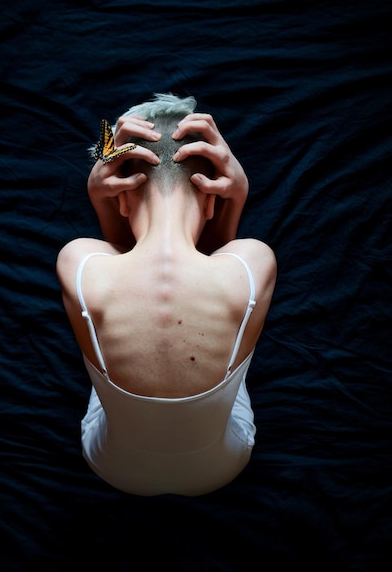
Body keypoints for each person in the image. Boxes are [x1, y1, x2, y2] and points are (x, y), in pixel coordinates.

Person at [56, 93, 276, 496]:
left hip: (111, 465)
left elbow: (121, 252)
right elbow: (217, 254)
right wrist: (238, 192)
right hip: (223, 467)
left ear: (120, 198)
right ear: (212, 199)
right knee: (235, 316)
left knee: (100, 311)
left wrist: (98, 197)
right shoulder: (254, 263)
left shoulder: (78, 262)